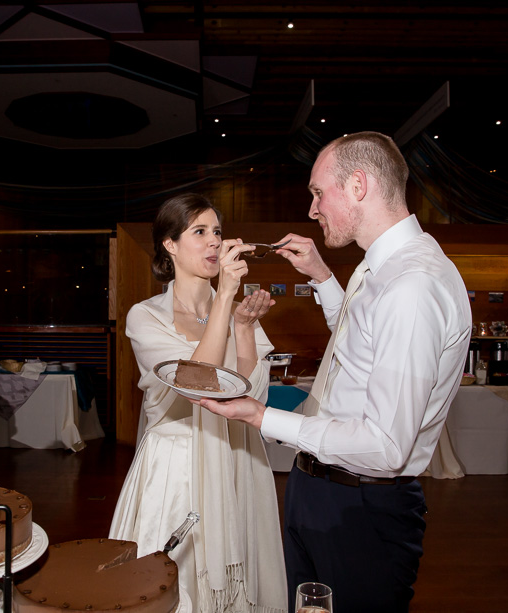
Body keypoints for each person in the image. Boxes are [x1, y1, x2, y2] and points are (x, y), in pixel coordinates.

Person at [200, 132, 472, 612]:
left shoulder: (413, 285)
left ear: (359, 185)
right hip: (321, 485)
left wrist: (260, 417)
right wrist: (322, 276)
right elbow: (359, 342)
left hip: (360, 507)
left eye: (318, 192)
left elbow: (386, 447)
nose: (312, 208)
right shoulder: (380, 269)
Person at [109, 193, 287, 613]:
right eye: (200, 232)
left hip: (238, 455)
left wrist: (243, 327)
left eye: (218, 232)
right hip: (177, 464)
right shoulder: (145, 316)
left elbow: (253, 391)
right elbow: (196, 383)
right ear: (169, 245)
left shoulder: (234, 309)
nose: (214, 243)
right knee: (173, 581)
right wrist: (225, 297)